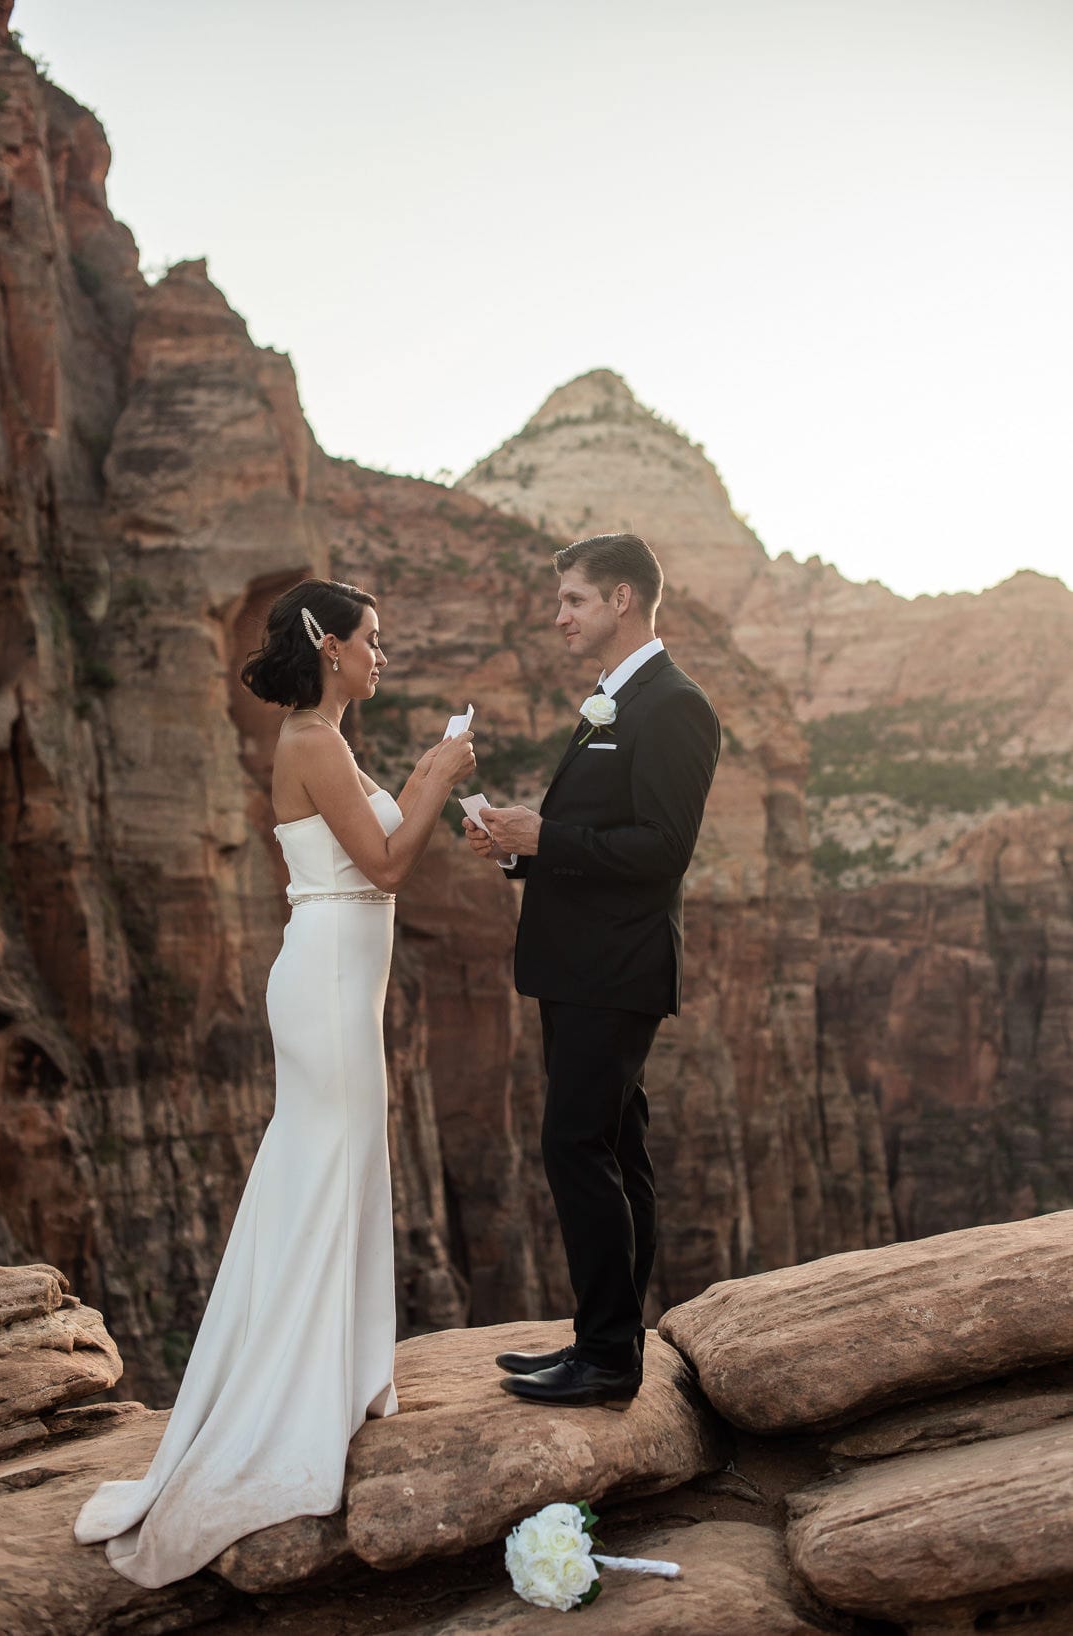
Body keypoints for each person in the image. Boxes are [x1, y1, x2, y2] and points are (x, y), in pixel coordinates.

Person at [74, 578, 475, 1585]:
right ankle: (288, 1403)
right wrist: (438, 773)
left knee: (335, 1168)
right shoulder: (310, 742)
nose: (382, 655)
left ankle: (335, 1374)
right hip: (329, 984)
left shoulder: (325, 738)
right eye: (372, 641)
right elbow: (383, 865)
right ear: (329, 647)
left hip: (338, 981)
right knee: (324, 1169)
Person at [464, 534, 720, 1409]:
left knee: (574, 1144)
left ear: (621, 600)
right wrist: (518, 848)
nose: (558, 615)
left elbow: (663, 851)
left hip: (615, 965)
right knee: (616, 1149)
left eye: (572, 599)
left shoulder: (674, 705)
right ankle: (606, 1342)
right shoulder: (616, 701)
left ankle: (608, 1357)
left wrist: (547, 835)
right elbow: (599, 837)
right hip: (582, 963)